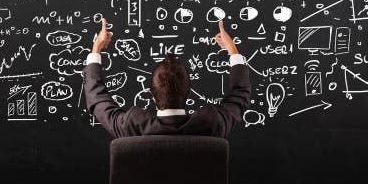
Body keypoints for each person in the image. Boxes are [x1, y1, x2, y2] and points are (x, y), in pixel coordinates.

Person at [83, 18, 251, 137]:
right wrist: (233, 50)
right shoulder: (212, 124)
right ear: (189, 93)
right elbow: (240, 95)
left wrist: (96, 48)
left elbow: (97, 100)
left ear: (152, 94)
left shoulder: (132, 126)